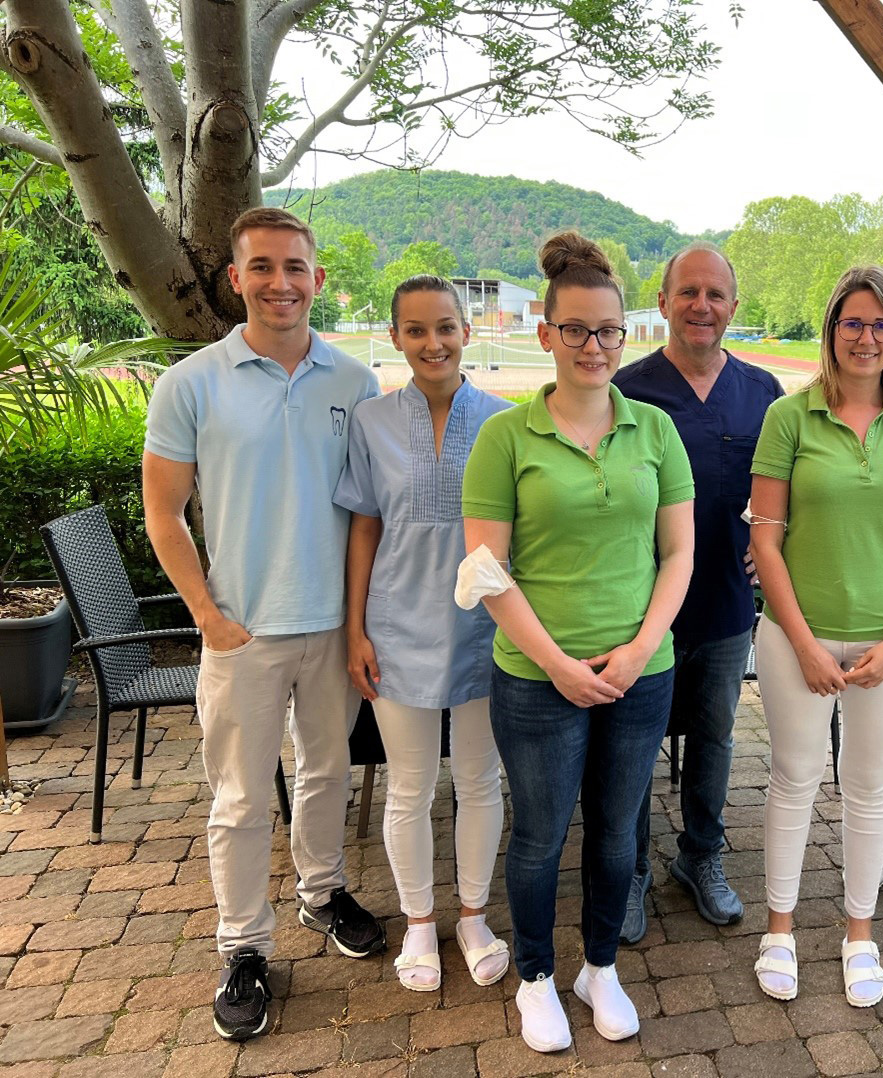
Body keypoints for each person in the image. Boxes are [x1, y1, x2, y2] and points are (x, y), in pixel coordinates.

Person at [142, 207, 383, 1041]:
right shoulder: (192, 383)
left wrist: (360, 621)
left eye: (295, 267)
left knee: (326, 774)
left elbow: (367, 517)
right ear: (236, 278)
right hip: (240, 632)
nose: (281, 282)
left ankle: (322, 895)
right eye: (263, 267)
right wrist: (207, 615)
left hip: (330, 626)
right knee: (241, 800)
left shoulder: (356, 383)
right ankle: (242, 946)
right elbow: (162, 514)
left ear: (316, 278)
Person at [462, 232, 695, 1053]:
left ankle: (600, 966)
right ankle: (534, 977)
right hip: (535, 678)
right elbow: (487, 571)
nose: (593, 347)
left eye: (607, 331)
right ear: (545, 334)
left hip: (641, 671)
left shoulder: (657, 432)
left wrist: (636, 651)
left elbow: (679, 554)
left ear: (623, 335)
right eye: (575, 331)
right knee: (537, 832)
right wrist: (558, 664)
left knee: (616, 827)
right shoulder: (505, 439)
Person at [749, 264, 883, 1008]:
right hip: (793, 636)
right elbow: (766, 539)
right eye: (851, 323)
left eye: (880, 324)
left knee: (868, 790)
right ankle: (779, 930)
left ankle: (858, 933)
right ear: (831, 330)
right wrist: (800, 640)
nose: (865, 337)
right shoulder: (790, 417)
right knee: (793, 780)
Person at [334, 276, 512, 993]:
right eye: (415, 330)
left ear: (468, 331)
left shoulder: (505, 423)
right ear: (397, 336)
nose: (432, 342)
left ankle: (472, 915)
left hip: (482, 629)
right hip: (395, 627)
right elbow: (363, 528)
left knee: (478, 781)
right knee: (409, 787)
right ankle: (416, 921)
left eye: (445, 327)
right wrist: (355, 630)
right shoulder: (372, 423)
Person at [612, 243, 783, 940]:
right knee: (632, 742)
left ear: (733, 307)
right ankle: (627, 872)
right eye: (688, 292)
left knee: (713, 737)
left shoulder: (763, 392)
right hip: (637, 606)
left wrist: (777, 548)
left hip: (722, 605)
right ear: (662, 301)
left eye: (715, 294)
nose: (701, 306)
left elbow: (787, 490)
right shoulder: (625, 389)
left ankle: (700, 857)